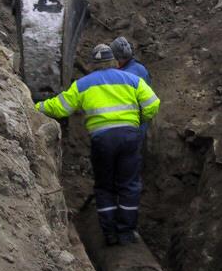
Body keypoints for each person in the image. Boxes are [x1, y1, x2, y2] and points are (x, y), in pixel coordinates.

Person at [35, 43, 160, 246]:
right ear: (114, 61)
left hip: (102, 140)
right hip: (129, 137)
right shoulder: (132, 79)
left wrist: (37, 107)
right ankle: (126, 233)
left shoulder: (83, 84)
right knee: (129, 185)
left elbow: (60, 107)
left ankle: (109, 235)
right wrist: (138, 121)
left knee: (104, 186)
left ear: (93, 64)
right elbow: (153, 103)